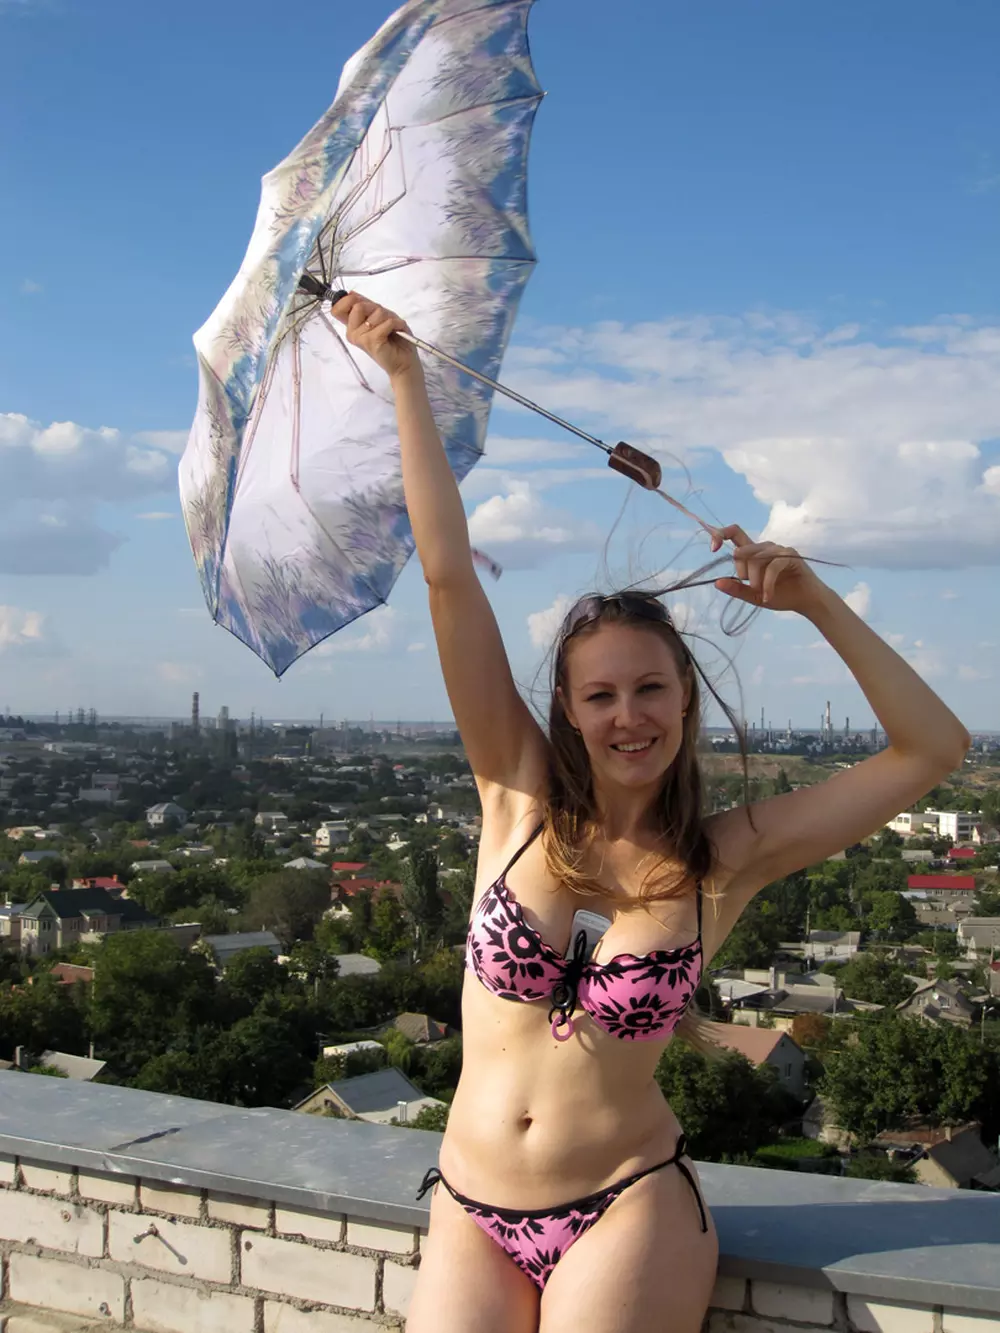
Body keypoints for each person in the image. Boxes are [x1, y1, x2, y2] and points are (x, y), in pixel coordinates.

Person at [332, 292, 970, 1333]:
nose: (626, 715)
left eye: (649, 689)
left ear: (684, 699)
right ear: (567, 709)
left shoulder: (728, 855)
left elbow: (931, 748)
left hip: (624, 1204)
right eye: (600, 694)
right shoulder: (515, 793)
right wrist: (407, 376)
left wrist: (814, 601)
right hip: (471, 1205)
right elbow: (448, 578)